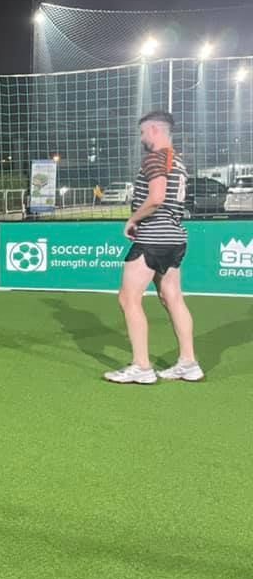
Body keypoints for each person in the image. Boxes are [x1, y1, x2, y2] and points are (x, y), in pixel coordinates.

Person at [104, 110, 203, 384]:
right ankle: (188, 362)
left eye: (143, 132)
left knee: (128, 298)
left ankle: (142, 366)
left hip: (153, 237)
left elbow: (156, 198)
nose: (142, 137)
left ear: (155, 130)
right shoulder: (178, 161)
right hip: (174, 237)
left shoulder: (155, 158)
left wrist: (132, 219)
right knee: (171, 297)